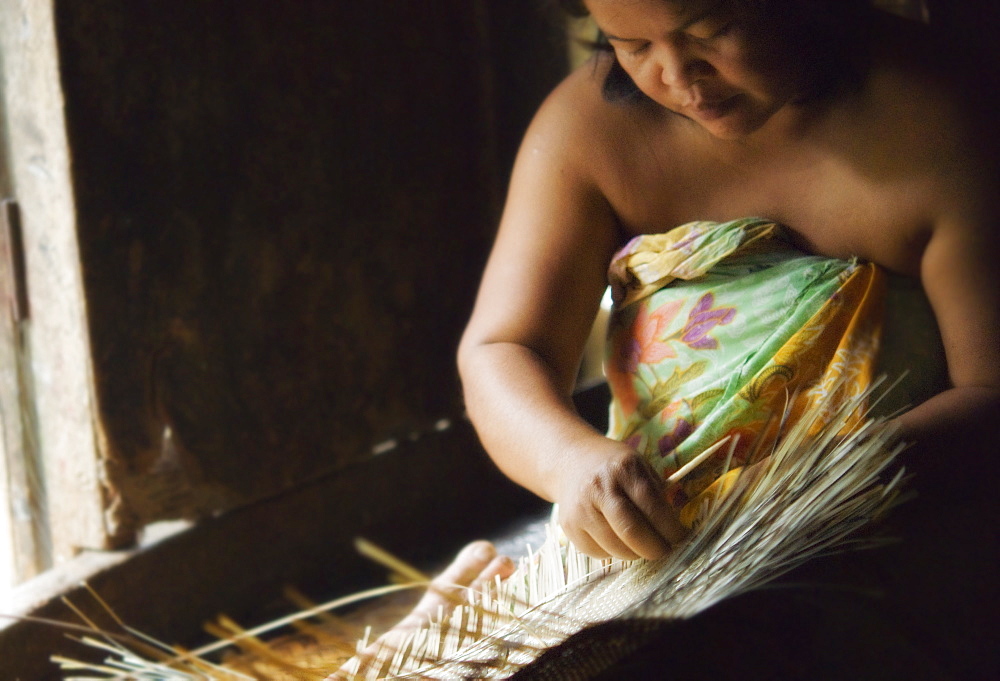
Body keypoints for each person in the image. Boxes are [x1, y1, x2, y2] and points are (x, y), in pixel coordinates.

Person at [333, 0, 999, 675]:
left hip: (888, 557)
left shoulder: (948, 121)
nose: (678, 76)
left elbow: (991, 393)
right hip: (652, 555)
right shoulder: (589, 128)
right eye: (629, 44)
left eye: (712, 33)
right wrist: (568, 462)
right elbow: (503, 349)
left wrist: (823, 484)